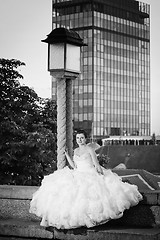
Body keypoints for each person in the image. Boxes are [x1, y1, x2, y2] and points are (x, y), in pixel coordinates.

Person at [29, 129, 142, 229]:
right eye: (78, 138)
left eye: (82, 138)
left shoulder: (90, 149)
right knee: (66, 193)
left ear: (85, 139)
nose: (80, 140)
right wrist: (67, 155)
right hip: (78, 173)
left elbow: (96, 164)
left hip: (89, 173)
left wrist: (101, 175)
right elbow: (74, 166)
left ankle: (90, 219)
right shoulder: (76, 151)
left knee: (90, 196)